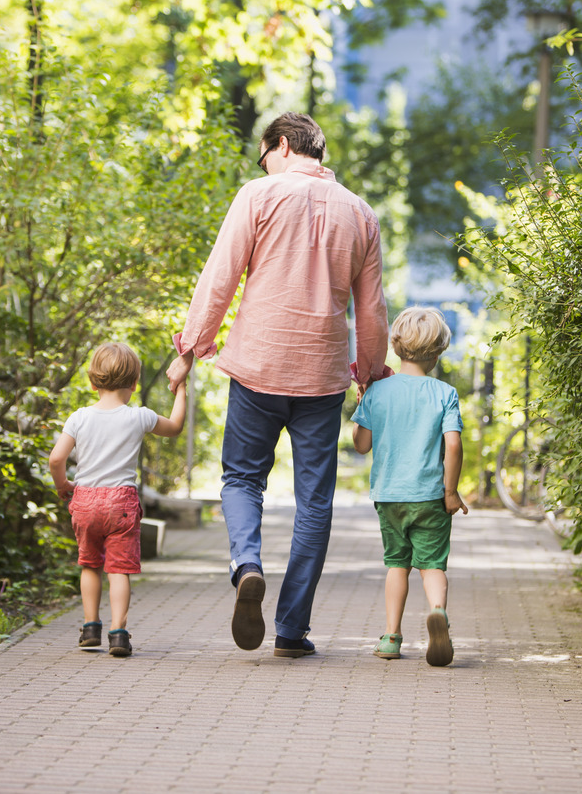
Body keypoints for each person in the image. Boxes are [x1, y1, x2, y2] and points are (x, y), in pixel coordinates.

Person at [167, 112, 389, 658]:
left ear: (282, 145)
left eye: (264, 154)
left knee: (242, 479)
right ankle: (292, 631)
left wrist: (191, 351)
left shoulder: (258, 195)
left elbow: (221, 275)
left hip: (258, 365)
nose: (262, 165)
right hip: (322, 377)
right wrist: (369, 374)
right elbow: (373, 309)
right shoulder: (361, 214)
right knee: (315, 503)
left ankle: (247, 565)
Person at [49, 342, 187, 657]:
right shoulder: (139, 417)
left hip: (85, 500)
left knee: (89, 565)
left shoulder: (79, 417)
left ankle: (89, 628)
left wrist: (63, 485)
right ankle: (119, 634)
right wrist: (180, 389)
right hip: (121, 504)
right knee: (119, 569)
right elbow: (175, 427)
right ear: (135, 383)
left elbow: (56, 459)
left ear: (92, 382)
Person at [350, 307, 468, 667]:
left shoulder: (378, 392)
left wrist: (362, 404)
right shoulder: (444, 394)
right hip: (431, 495)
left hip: (389, 497)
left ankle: (391, 637)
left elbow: (361, 444)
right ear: (436, 353)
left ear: (397, 347)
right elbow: (453, 445)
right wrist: (451, 491)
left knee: (397, 565)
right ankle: (437, 613)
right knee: (433, 565)